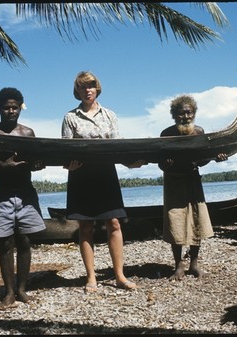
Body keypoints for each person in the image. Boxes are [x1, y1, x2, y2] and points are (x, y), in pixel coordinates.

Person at [61, 71, 144, 293]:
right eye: (82, 86)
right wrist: (67, 164)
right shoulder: (70, 117)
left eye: (91, 85)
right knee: (85, 227)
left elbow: (118, 146)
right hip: (80, 177)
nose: (87, 89)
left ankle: (119, 276)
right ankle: (91, 278)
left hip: (106, 174)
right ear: (77, 91)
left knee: (114, 223)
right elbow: (64, 151)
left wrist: (130, 163)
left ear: (97, 88)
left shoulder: (109, 115)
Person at [0, 87, 46, 307]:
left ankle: (22, 289)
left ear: (20, 108)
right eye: (6, 108)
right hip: (1, 195)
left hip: (26, 194)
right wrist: (2, 166)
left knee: (25, 241)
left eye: (15, 107)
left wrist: (38, 164)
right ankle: (8, 292)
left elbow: (36, 162)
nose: (11, 111)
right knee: (5, 244)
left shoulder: (27, 133)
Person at [158, 95, 227, 281]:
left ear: (194, 113)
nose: (185, 116)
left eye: (189, 113)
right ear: (174, 115)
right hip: (173, 182)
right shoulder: (166, 134)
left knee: (197, 221)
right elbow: (160, 164)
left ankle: (194, 264)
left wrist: (216, 157)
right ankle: (178, 266)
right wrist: (168, 164)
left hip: (193, 181)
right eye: (181, 113)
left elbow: (201, 159)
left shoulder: (199, 132)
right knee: (175, 223)